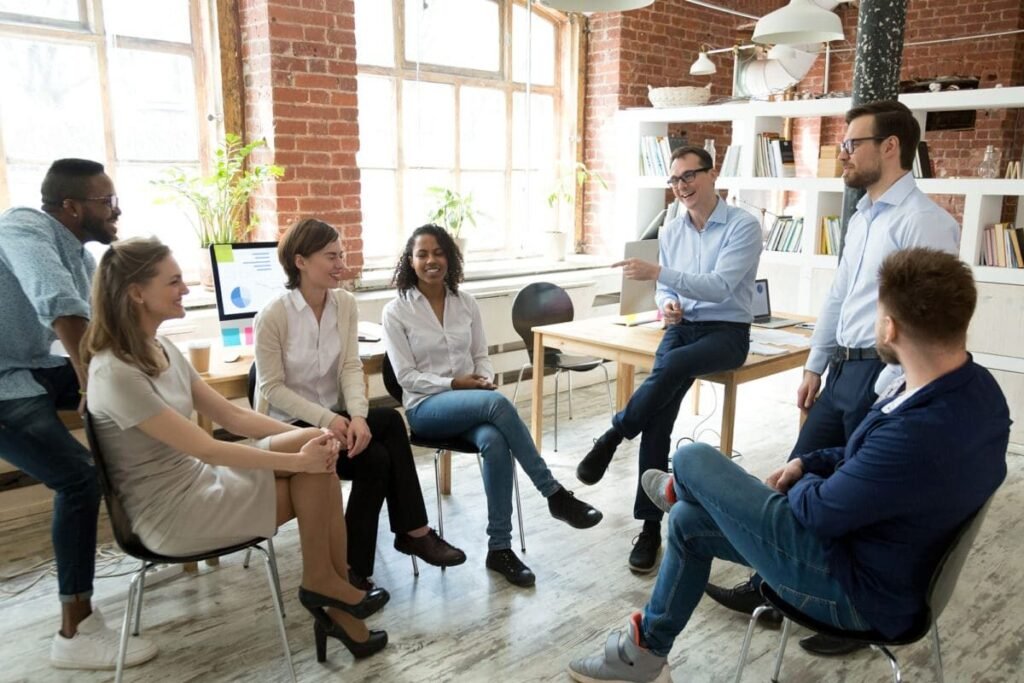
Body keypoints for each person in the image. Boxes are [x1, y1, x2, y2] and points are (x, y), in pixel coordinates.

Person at [567, 247, 1009, 682]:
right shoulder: (977, 392)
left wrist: (800, 482)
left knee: (691, 457)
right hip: (889, 562)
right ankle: (646, 650)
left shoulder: (915, 431)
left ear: (889, 328)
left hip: (855, 590)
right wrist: (807, 462)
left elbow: (818, 511)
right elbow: (867, 459)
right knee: (686, 522)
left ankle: (682, 484)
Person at [704, 100, 961, 656]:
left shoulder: (927, 222)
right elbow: (841, 295)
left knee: (857, 500)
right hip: (843, 368)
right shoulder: (864, 214)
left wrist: (900, 391)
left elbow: (925, 321)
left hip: (885, 375)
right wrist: (816, 364)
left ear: (890, 147)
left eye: (852, 144)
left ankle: (848, 614)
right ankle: (771, 587)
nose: (842, 153)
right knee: (796, 476)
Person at [83, 237, 388, 662]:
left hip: (201, 483)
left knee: (316, 447)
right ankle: (334, 601)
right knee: (312, 469)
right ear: (136, 293)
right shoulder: (115, 372)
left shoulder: (161, 348)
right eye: (174, 282)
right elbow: (208, 448)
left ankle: (327, 586)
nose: (185, 289)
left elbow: (235, 418)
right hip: (172, 513)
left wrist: (312, 437)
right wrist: (295, 461)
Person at [0, 159, 158, 670]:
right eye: (107, 201)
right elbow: (60, 303)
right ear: (71, 206)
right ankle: (75, 630)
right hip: (3, 379)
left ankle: (171, 524)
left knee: (142, 388)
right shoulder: (22, 227)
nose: (117, 210)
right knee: (78, 479)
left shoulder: (81, 254)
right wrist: (92, 380)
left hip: (31, 365)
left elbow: (101, 322)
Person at [382, 224, 603, 588]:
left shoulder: (466, 303)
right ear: (410, 261)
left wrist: (482, 380)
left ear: (449, 258)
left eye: (438, 253)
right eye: (422, 254)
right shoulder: (397, 311)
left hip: (471, 402)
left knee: (496, 441)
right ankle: (554, 494)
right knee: (497, 405)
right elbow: (406, 378)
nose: (431, 260)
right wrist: (458, 384)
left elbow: (481, 356)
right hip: (426, 409)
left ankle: (499, 548)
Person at [575, 144, 762, 574]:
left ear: (713, 176)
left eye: (689, 176)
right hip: (681, 328)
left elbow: (718, 287)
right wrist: (668, 301)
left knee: (672, 368)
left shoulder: (743, 226)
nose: (682, 187)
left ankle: (612, 436)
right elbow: (668, 292)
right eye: (675, 180)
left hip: (727, 333)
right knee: (658, 420)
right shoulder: (673, 229)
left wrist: (659, 275)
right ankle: (649, 528)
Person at [253, 218, 465, 590]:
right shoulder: (274, 316)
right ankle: (363, 562)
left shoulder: (344, 304)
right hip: (290, 428)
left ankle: (408, 534)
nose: (341, 264)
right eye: (331, 257)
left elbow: (351, 366)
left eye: (341, 255)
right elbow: (272, 389)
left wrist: (358, 417)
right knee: (375, 460)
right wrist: (329, 421)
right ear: (300, 262)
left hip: (335, 418)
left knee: (389, 422)